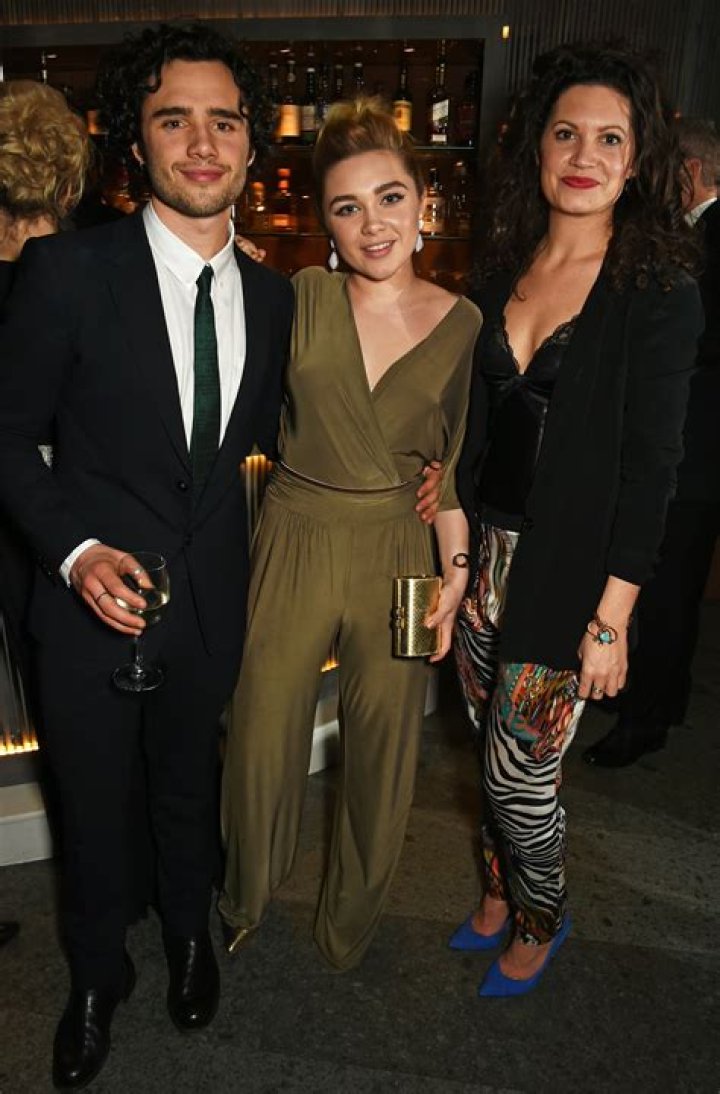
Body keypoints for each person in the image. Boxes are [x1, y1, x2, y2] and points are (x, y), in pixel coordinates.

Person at [0, 23, 294, 1091]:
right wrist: (75, 551)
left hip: (209, 602)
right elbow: (4, 434)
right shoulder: (66, 271)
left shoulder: (276, 295)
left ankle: (185, 935)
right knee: (89, 805)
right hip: (86, 608)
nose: (203, 143)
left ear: (251, 143)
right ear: (136, 140)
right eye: (176, 120)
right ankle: (94, 978)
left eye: (225, 121)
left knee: (186, 788)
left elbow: (283, 441)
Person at [450, 43, 702, 997]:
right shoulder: (500, 271)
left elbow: (654, 469)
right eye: (566, 133)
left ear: (637, 162)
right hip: (483, 560)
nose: (584, 155)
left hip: (570, 572)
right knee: (485, 745)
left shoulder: (657, 291)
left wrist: (612, 619)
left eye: (609, 138)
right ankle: (497, 888)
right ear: (539, 149)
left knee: (520, 777)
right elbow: (474, 426)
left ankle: (541, 917)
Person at [219, 97, 482, 971]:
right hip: (295, 530)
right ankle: (247, 891)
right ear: (326, 224)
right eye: (348, 206)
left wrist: (455, 576)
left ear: (421, 201)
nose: (374, 224)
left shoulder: (463, 323)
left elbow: (451, 472)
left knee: (384, 744)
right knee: (261, 728)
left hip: (399, 552)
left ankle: (350, 922)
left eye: (390, 197)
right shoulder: (301, 296)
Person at [584, 117, 720, 767]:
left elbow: (696, 345)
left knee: (667, 592)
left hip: (695, 451)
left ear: (688, 172)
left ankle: (646, 720)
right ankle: (658, 697)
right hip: (692, 447)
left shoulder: (706, 242)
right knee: (672, 589)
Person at [0, 79, 91, 959]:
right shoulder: (85, 272)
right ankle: (95, 877)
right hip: (56, 519)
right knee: (68, 711)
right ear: (70, 178)